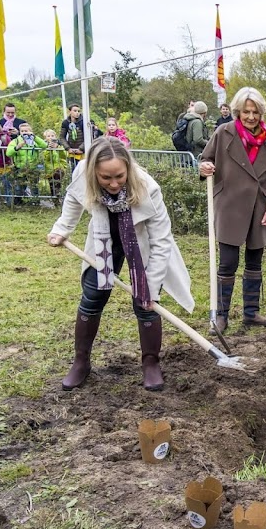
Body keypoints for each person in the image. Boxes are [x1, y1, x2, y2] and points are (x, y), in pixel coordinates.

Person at [47, 137, 194, 391]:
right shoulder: (83, 172)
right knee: (93, 295)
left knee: (147, 302)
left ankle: (150, 363)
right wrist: (62, 229)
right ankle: (81, 362)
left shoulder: (148, 187)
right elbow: (74, 198)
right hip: (104, 237)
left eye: (119, 176)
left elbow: (161, 241)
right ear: (94, 172)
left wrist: (150, 285)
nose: (114, 184)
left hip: (141, 241)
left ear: (128, 168)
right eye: (106, 178)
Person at [198, 87, 266, 332]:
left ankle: (251, 312)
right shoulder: (223, 133)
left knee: (255, 261)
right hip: (229, 205)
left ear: (261, 113)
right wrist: (204, 167)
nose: (250, 117)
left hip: (259, 207)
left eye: (255, 112)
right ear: (237, 111)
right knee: (227, 262)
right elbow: (206, 159)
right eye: (246, 111)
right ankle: (221, 314)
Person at [7, 123, 48, 205]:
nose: (24, 133)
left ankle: (35, 201)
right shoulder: (15, 141)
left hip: (33, 167)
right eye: (22, 131)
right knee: (19, 186)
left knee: (34, 186)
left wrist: (35, 137)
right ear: (19, 132)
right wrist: (17, 147)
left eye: (26, 131)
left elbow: (44, 145)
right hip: (20, 167)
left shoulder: (34, 141)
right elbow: (8, 153)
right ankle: (18, 201)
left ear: (31, 131)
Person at [61, 104, 101, 172]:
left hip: (84, 152)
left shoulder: (85, 121)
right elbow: (62, 137)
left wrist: (81, 148)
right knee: (75, 172)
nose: (77, 113)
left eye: (78, 111)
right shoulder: (65, 123)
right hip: (72, 152)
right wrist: (68, 148)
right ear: (70, 111)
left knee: (85, 171)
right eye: (75, 111)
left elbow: (90, 137)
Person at [43, 129, 67, 204]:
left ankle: (59, 197)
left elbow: (64, 156)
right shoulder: (44, 146)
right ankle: (55, 200)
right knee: (52, 184)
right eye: (48, 136)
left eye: (52, 135)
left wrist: (58, 148)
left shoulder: (60, 145)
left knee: (57, 181)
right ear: (45, 138)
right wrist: (49, 150)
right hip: (49, 168)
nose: (50, 137)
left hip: (60, 167)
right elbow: (46, 158)